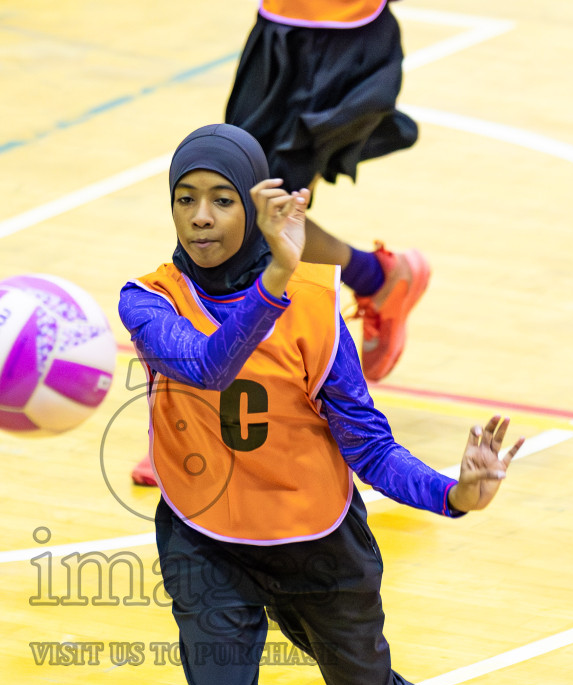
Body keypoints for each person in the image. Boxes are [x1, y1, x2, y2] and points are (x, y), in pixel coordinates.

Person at [120, 123, 522, 685]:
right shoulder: (148, 300)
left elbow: (367, 442)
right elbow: (206, 365)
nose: (201, 216)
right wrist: (271, 280)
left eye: (223, 198)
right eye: (186, 198)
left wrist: (454, 495)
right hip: (205, 543)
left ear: (263, 204)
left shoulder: (311, 304)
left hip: (314, 545)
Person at [131, 0, 429, 487]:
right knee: (248, 208)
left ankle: (195, 419)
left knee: (249, 213)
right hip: (279, 31)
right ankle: (377, 277)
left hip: (346, 36)